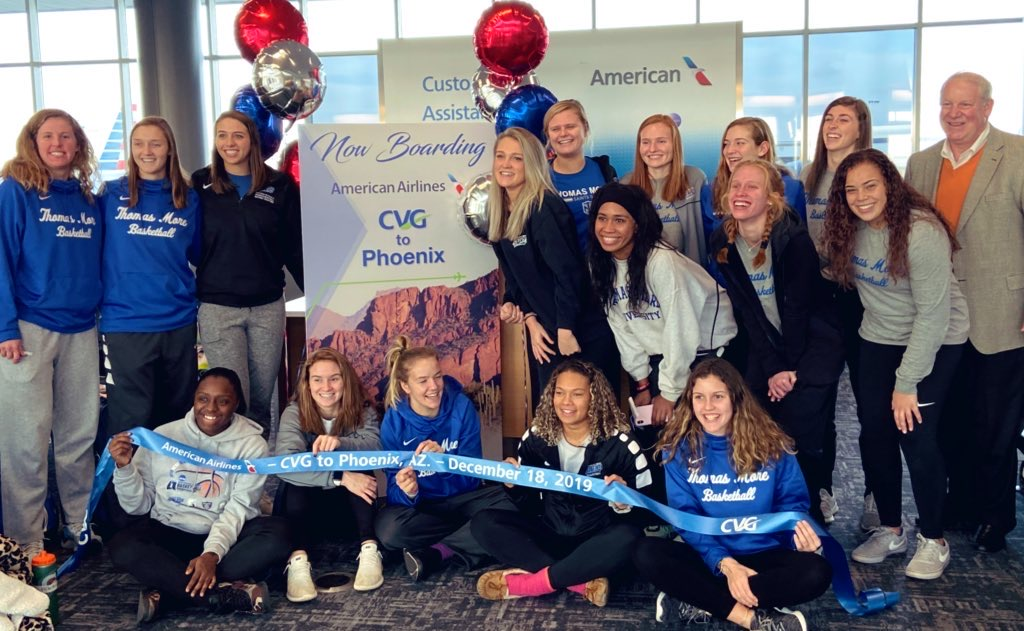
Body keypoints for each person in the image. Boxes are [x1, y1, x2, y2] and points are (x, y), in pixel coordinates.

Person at [824, 148, 968, 579]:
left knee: (916, 437)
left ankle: (934, 539)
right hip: (879, 337)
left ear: (890, 184)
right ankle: (891, 529)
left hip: (935, 339)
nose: (861, 197)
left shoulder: (921, 232)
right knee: (875, 435)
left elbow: (933, 316)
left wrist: (907, 383)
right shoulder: (848, 228)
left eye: (871, 185)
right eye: (851, 189)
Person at [905, 72, 1024, 553]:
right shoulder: (921, 163)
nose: (954, 114)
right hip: (941, 318)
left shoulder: (1017, 155)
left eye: (965, 105)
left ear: (988, 108)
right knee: (948, 421)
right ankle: (957, 505)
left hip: (1002, 313)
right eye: (946, 104)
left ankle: (996, 517)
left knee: (996, 427)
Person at [633, 358, 832, 630]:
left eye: (717, 397)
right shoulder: (677, 450)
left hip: (764, 554)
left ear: (736, 399)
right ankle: (750, 618)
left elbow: (792, 506)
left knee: (817, 572)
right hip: (710, 556)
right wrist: (727, 565)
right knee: (646, 552)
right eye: (699, 397)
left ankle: (697, 599)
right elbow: (687, 519)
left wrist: (799, 540)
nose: (707, 407)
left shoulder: (773, 445)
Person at [709, 159, 844, 526]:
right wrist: (773, 369)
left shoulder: (792, 239)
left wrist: (790, 372)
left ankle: (809, 515)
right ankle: (767, 511)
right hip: (769, 346)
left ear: (771, 198)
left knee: (801, 432)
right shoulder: (723, 242)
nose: (741, 193)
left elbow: (799, 313)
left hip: (814, 345)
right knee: (755, 420)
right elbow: (750, 314)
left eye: (752, 187)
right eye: (736, 185)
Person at [106, 367, 292, 622]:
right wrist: (124, 468)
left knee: (279, 534)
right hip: (170, 531)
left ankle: (170, 589)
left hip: (225, 537)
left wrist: (211, 554)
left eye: (223, 401)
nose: (211, 409)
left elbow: (238, 508)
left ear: (236, 404)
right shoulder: (162, 436)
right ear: (193, 399)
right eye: (203, 398)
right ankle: (220, 595)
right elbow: (137, 507)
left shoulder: (252, 444)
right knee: (123, 546)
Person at [0, 109, 102, 559]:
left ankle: (78, 525)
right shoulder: (15, 192)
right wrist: (5, 326)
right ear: (33, 141)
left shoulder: (85, 197)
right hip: (27, 331)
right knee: (26, 439)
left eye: (66, 136)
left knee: (78, 435)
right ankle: (27, 540)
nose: (58, 143)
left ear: (77, 144)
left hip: (82, 328)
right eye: (48, 136)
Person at [471, 360, 650, 607]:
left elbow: (645, 512)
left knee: (630, 537)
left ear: (594, 398)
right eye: (559, 393)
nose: (565, 402)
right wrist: (514, 486)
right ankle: (577, 581)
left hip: (597, 542)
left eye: (577, 394)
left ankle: (533, 583)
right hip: (551, 533)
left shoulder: (621, 445)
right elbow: (529, 506)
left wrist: (623, 501)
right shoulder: (536, 437)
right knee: (483, 523)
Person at [488, 126, 620, 402]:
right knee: (552, 415)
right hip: (547, 331)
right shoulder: (500, 213)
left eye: (516, 158)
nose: (506, 165)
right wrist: (522, 312)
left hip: (580, 328)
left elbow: (568, 274)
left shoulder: (543, 207)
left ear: (532, 164)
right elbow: (517, 280)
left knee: (595, 413)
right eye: (501, 156)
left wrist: (565, 329)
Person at [192, 111, 304, 434]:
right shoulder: (200, 184)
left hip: (267, 307)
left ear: (252, 141)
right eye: (222, 135)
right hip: (219, 308)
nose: (230, 143)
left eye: (238, 135)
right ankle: (230, 475)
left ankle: (255, 476)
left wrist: (320, 295)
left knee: (261, 399)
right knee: (231, 398)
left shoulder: (279, 186)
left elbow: (293, 246)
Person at [374, 336, 516, 582]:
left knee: (517, 502)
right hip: (425, 509)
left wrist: (445, 462)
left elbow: (472, 477)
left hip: (464, 499)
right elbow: (395, 491)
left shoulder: (461, 407)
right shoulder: (393, 422)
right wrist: (409, 491)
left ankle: (439, 550)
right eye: (423, 380)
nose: (434, 386)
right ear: (405, 386)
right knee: (389, 531)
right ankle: (473, 536)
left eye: (437, 376)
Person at [800, 96, 876, 530]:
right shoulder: (809, 179)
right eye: (828, 118)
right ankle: (822, 492)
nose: (832, 125)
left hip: (863, 299)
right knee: (819, 405)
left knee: (871, 406)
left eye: (843, 119)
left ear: (861, 127)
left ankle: (875, 497)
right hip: (818, 299)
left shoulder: (870, 175)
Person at [100, 116, 201, 436]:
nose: (147, 151)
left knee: (176, 417)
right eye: (139, 143)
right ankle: (126, 487)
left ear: (169, 149)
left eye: (155, 143)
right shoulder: (109, 195)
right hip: (126, 322)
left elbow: (198, 254)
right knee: (130, 416)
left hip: (178, 321)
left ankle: (172, 486)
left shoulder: (188, 198)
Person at [273, 348, 383, 599]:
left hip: (347, 513)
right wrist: (339, 476)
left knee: (360, 466)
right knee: (298, 474)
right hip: (305, 512)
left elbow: (376, 446)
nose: (327, 386)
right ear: (307, 384)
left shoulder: (361, 409)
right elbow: (285, 462)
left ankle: (369, 548)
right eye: (317, 379)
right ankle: (297, 560)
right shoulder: (294, 411)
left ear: (345, 380)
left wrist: (340, 443)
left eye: (334, 378)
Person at [701, 117, 807, 258]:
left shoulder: (791, 188)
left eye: (740, 143)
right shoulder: (710, 192)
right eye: (726, 144)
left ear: (763, 148)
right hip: (725, 277)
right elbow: (709, 248)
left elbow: (800, 245)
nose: (729, 150)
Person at [622, 114, 709, 265]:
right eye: (646, 142)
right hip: (644, 277)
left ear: (675, 144)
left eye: (661, 141)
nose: (652, 149)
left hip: (690, 276)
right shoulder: (626, 185)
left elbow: (710, 230)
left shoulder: (695, 179)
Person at [543, 99, 617, 253]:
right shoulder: (540, 180)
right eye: (556, 129)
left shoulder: (606, 171)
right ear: (548, 135)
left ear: (586, 128)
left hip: (606, 270)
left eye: (570, 126)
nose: (563, 133)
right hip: (564, 273)